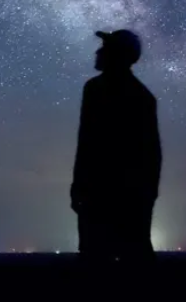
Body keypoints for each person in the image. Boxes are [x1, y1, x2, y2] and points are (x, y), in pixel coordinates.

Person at [70, 29, 162, 263]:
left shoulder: (96, 90)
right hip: (129, 195)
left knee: (98, 260)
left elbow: (88, 144)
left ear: (116, 55)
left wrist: (80, 186)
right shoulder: (142, 96)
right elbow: (152, 154)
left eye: (105, 48)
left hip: (104, 193)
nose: (98, 52)